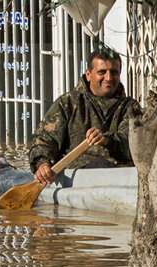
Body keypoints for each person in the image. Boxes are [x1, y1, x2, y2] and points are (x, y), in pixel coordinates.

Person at [28, 47, 139, 184]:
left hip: (120, 175)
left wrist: (107, 140)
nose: (109, 78)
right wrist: (42, 164)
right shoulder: (68, 103)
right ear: (88, 74)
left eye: (114, 72)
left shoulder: (130, 107)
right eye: (102, 72)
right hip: (78, 176)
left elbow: (134, 142)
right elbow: (44, 140)